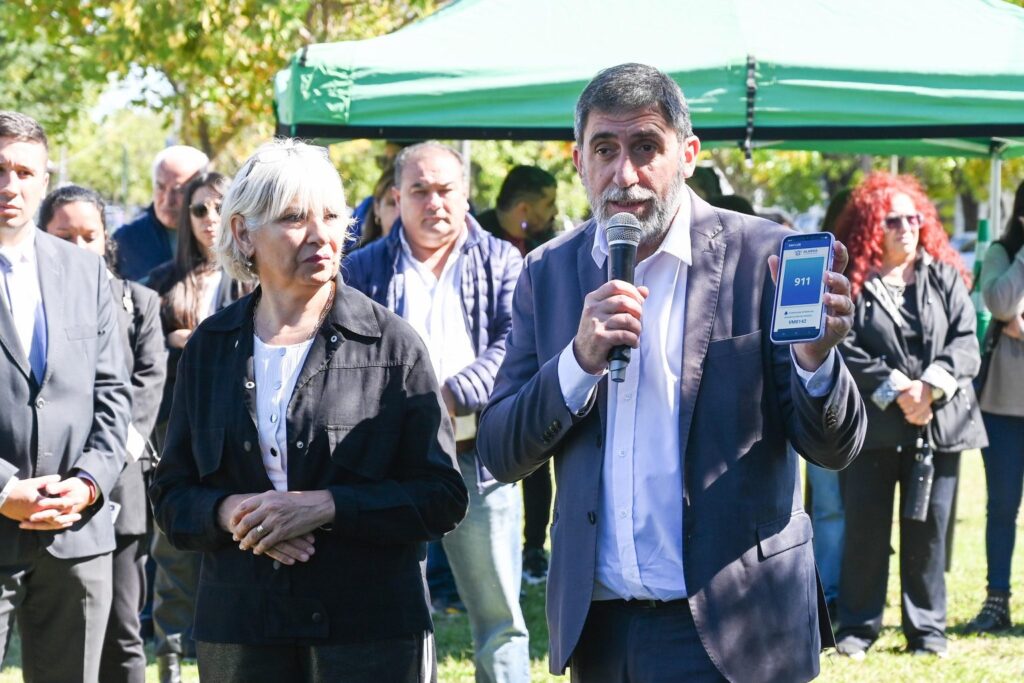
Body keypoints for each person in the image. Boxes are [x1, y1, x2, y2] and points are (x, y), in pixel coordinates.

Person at [477, 64, 866, 683]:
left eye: (645, 147)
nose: (624, 175)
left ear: (687, 154)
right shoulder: (547, 273)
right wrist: (578, 363)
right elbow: (499, 450)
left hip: (738, 626)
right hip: (603, 632)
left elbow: (833, 448)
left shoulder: (763, 257)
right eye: (605, 150)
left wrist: (816, 362)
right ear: (578, 161)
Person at [150, 139, 467, 683]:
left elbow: (441, 497)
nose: (321, 235)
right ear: (242, 232)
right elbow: (171, 496)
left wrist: (326, 506)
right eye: (295, 218)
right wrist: (231, 513)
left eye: (331, 215)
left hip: (368, 629)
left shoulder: (392, 345)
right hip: (242, 626)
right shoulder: (210, 348)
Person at [344, 141, 530, 683]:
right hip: (391, 463)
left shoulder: (502, 260)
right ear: (396, 197)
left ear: (465, 194)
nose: (434, 203)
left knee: (501, 620)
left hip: (479, 456)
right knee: (394, 614)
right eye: (419, 190)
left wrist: (448, 396)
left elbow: (516, 344)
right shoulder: (363, 269)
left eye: (445, 189)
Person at [831, 172, 987, 659]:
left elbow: (966, 341)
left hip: (937, 426)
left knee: (929, 533)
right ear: (871, 227)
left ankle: (927, 632)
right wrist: (898, 388)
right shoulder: (855, 284)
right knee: (866, 531)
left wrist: (930, 388)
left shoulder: (945, 276)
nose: (906, 228)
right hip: (874, 428)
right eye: (893, 220)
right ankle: (857, 630)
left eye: (913, 218)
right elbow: (844, 345)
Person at [0, 110, 132, 682]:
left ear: (45, 179)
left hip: (75, 534)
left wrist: (87, 484)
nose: (10, 185)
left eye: (25, 172)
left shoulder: (86, 272)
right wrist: (4, 489)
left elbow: (114, 393)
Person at [39, 184, 167, 683]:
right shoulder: (26, 304)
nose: (77, 246)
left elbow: (146, 385)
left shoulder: (139, 302)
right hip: (43, 487)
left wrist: (101, 463)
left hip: (117, 488)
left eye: (88, 235)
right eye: (64, 235)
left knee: (121, 628)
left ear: (105, 239)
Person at [145, 171, 253, 682]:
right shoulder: (162, 281)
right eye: (198, 209)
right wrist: (172, 344)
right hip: (176, 428)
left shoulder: (255, 279)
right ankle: (169, 659)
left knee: (239, 540)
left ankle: (235, 656)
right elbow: (141, 359)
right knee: (172, 551)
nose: (209, 218)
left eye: (218, 206)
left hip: (241, 431)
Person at [475, 164, 560, 585]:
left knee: (538, 459)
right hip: (481, 373)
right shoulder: (476, 239)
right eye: (548, 204)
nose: (554, 212)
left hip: (535, 365)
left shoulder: (550, 244)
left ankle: (533, 548)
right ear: (524, 207)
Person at [966, 178, 1024, 633]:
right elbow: (1001, 303)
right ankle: (996, 599)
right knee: (1002, 507)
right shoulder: (1002, 255)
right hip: (1003, 409)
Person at [805, 187, 853, 620]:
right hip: (823, 403)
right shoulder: (822, 268)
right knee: (828, 504)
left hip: (857, 409)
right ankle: (827, 590)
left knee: (833, 506)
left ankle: (838, 588)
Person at [113, 145, 209, 282]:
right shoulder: (125, 240)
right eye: (161, 187)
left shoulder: (218, 238)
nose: (168, 200)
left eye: (180, 190)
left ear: (201, 191)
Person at [356, 164, 400, 247]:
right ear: (377, 208)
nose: (401, 213)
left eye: (406, 204)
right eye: (393, 203)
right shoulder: (357, 255)